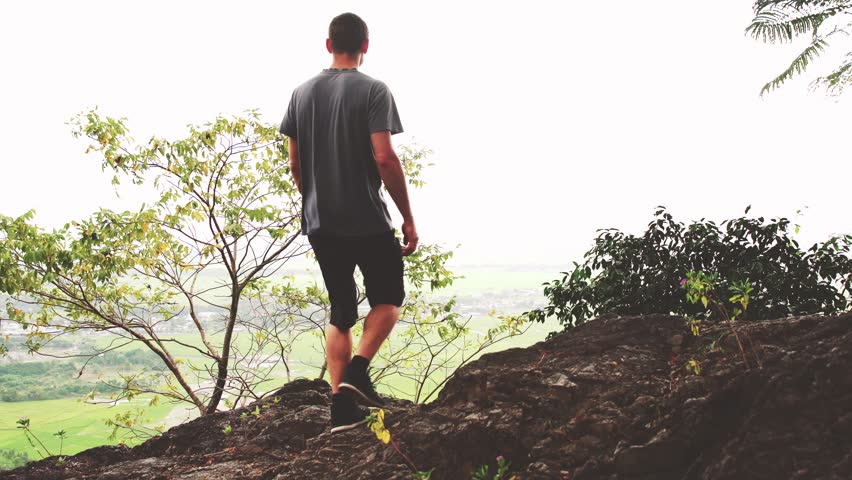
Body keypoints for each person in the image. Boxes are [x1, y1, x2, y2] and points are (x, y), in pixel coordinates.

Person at [279, 12, 419, 434]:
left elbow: (294, 163)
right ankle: (357, 373)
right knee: (389, 298)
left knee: (341, 312)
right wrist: (408, 218)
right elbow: (384, 156)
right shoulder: (374, 90)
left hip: (321, 222)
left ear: (328, 45)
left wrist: (315, 202)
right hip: (366, 218)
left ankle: (340, 405)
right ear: (366, 46)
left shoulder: (301, 94)